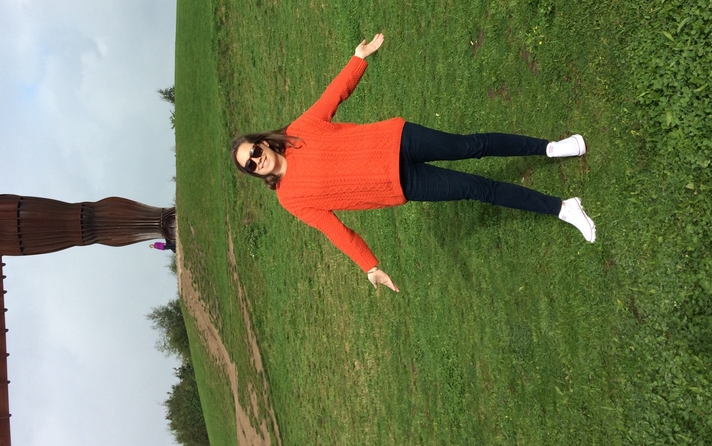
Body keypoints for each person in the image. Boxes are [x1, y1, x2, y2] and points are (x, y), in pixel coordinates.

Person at [231, 33, 595, 293]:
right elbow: (335, 231)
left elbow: (331, 97)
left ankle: (551, 148)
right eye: (250, 165)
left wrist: (358, 57)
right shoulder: (290, 198)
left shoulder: (298, 132)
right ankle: (563, 207)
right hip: (401, 185)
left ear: (263, 142)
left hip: (398, 139)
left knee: (473, 146)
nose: (257, 161)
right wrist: (369, 266)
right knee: (477, 189)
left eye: (254, 152)